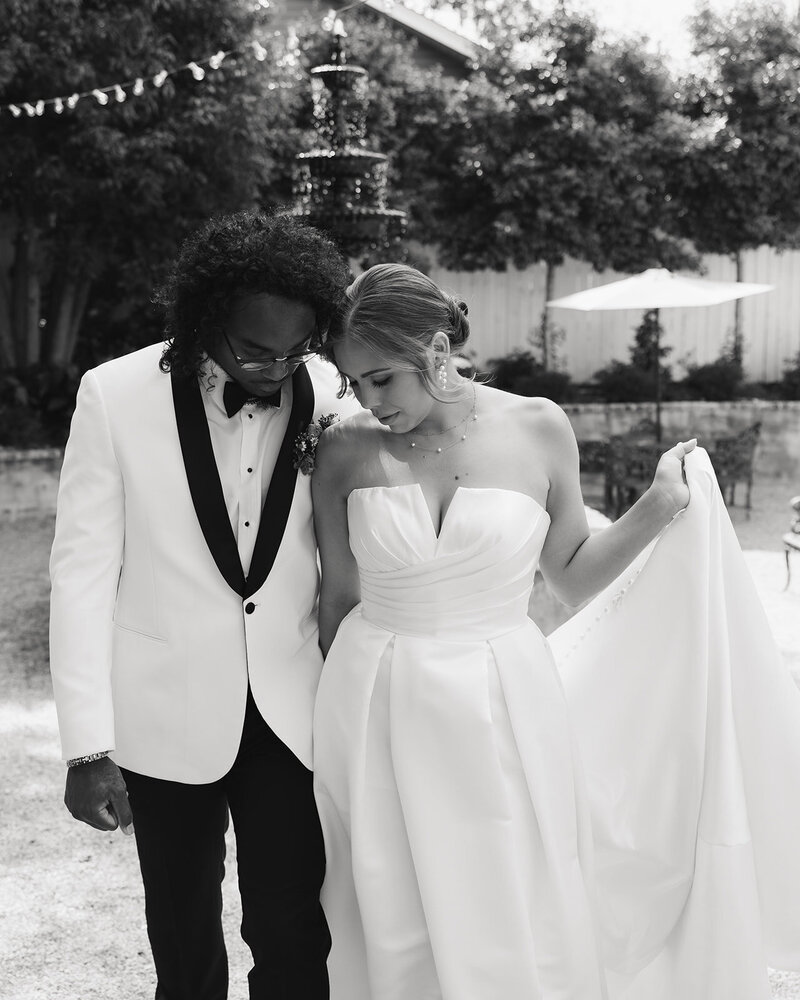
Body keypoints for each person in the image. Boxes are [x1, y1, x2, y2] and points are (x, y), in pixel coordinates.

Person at [310, 263, 800, 1000]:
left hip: (503, 697)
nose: (370, 401)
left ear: (437, 352)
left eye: (382, 379)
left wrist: (661, 503)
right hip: (373, 697)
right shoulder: (344, 450)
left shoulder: (538, 426)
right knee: (385, 886)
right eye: (354, 384)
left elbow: (568, 574)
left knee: (509, 877)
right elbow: (336, 601)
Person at [49, 210, 359, 1000]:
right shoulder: (114, 394)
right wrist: (88, 748)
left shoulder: (329, 390)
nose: (275, 367)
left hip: (291, 708)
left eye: (294, 349)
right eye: (256, 350)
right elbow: (82, 575)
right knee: (182, 929)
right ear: (207, 319)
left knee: (293, 926)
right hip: (164, 705)